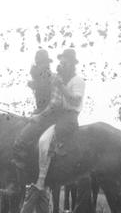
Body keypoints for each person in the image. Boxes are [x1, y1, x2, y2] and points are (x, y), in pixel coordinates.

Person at [31, 48, 85, 191]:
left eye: (65, 63)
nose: (62, 65)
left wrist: (60, 86)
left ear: (73, 64)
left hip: (70, 117)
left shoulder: (77, 81)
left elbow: (74, 101)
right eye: (61, 63)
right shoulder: (63, 80)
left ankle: (42, 179)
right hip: (61, 115)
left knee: (46, 140)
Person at [28, 49, 54, 114]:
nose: (38, 66)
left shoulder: (48, 76)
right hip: (42, 110)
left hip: (48, 112)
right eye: (38, 64)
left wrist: (35, 85)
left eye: (40, 63)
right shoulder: (39, 74)